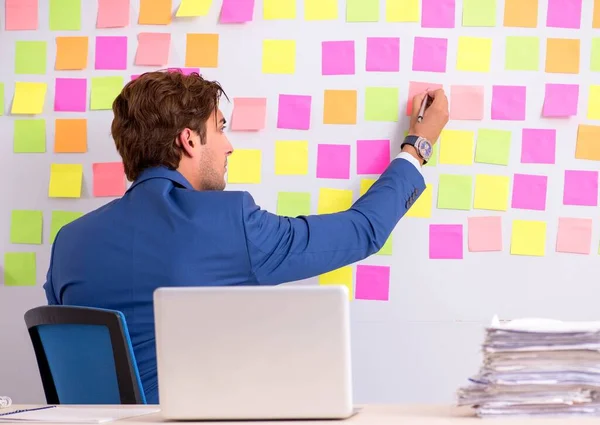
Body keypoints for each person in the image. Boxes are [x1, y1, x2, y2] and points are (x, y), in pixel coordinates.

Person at [43, 70, 449, 404]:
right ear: (189, 140)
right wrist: (418, 146)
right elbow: (362, 230)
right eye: (219, 128)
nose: (229, 146)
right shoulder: (228, 222)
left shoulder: (69, 243)